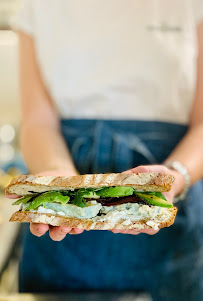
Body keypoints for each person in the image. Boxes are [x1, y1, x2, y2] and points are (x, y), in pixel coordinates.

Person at [7, 1, 203, 300]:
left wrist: (177, 176)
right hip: (61, 240)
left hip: (171, 221)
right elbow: (37, 122)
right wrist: (59, 176)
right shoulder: (38, 6)